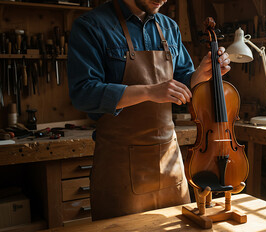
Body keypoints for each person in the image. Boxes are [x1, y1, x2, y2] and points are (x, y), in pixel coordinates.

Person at [67, 0, 231, 220]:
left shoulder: (169, 27)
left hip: (169, 161)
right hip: (119, 167)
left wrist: (203, 73)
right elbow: (83, 93)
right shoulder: (91, 26)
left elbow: (184, 82)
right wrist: (148, 92)